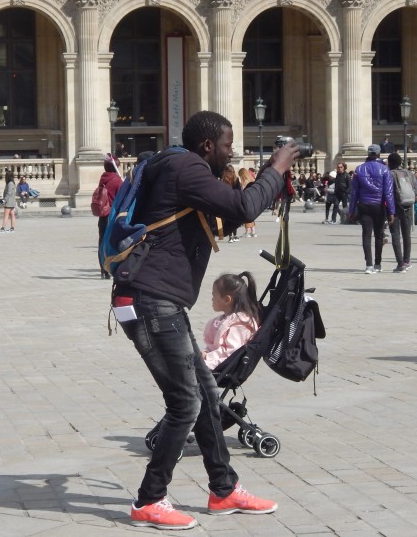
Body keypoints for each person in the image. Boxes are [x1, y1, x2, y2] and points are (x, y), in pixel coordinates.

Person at [114, 110, 299, 530]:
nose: (231, 153)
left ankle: (223, 489)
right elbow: (245, 205)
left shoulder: (176, 165)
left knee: (206, 394)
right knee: (186, 401)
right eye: (229, 145)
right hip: (151, 300)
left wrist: (266, 184)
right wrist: (276, 168)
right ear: (207, 146)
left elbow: (232, 214)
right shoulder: (186, 166)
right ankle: (150, 499)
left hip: (156, 298)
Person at [348, 145, 395, 274]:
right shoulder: (385, 170)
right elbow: (388, 193)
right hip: (379, 205)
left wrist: (351, 210)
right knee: (379, 235)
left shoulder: (359, 169)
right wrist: (391, 211)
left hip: (364, 204)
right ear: (379, 154)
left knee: (366, 234)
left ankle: (368, 265)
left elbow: (354, 192)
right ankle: (378, 263)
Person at [202, 272, 260, 370]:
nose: (212, 299)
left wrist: (207, 357)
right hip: (217, 359)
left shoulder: (241, 324)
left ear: (227, 300)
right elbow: (212, 345)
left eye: (214, 295)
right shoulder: (225, 319)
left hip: (224, 364)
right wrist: (205, 352)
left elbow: (231, 352)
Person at [387, 152, 417, 273]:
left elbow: (387, 193)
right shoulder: (409, 173)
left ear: (390, 163)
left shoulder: (389, 174)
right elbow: (416, 191)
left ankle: (400, 264)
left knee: (395, 234)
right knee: (406, 234)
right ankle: (407, 260)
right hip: (408, 206)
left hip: (394, 207)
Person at [97, 154, 122, 278]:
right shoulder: (117, 180)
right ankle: (112, 266)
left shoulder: (103, 179)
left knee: (102, 241)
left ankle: (103, 269)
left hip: (103, 215)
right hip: (112, 215)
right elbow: (122, 198)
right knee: (113, 242)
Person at [221, 165, 241, 242]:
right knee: (234, 219)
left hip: (226, 201)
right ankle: (235, 235)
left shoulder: (223, 179)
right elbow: (239, 190)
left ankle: (230, 236)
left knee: (227, 219)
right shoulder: (236, 179)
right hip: (234, 200)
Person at [237, 167, 257, 236]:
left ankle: (247, 231)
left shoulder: (244, 182)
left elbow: (242, 192)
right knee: (251, 216)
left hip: (246, 200)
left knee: (246, 216)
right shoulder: (252, 180)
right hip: (253, 199)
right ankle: (253, 230)